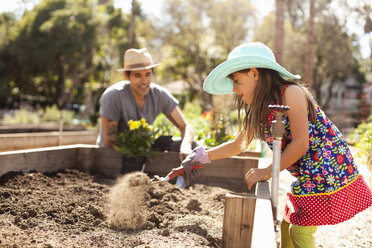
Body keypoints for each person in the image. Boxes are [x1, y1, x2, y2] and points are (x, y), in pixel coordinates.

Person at [168, 42, 372, 247]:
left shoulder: (290, 92)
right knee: (288, 225)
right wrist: (198, 158)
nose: (234, 89)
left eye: (237, 81)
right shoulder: (261, 107)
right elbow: (239, 144)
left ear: (254, 74)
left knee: (299, 232)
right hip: (310, 172)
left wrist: (266, 171)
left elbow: (301, 144)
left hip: (329, 168)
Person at [96, 47, 195, 173]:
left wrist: (185, 146)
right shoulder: (113, 96)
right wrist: (144, 149)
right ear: (127, 75)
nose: (144, 81)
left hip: (144, 151)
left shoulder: (159, 94)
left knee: (193, 145)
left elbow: (185, 126)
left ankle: (182, 183)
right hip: (114, 156)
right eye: (138, 75)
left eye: (148, 74)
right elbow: (110, 140)